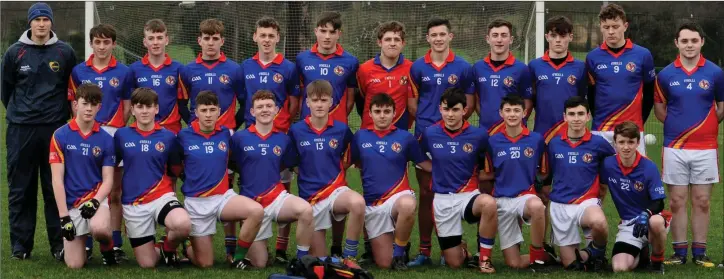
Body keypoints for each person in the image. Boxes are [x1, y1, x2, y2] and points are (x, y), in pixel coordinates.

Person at [2, 2, 77, 261]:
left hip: (54, 130)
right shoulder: (14, 52)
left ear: (51, 23)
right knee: (21, 189)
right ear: (30, 23)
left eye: (46, 19)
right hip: (20, 130)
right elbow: (6, 91)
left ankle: (59, 245)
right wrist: (22, 114)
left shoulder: (65, 52)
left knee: (53, 187)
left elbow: (70, 89)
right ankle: (21, 246)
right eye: (37, 20)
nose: (42, 24)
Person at [653, 22, 724, 267]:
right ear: (677, 43)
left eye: (694, 40)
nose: (689, 45)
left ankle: (700, 253)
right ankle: (679, 253)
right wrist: (677, 126)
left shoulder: (715, 72)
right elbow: (660, 109)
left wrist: (705, 128)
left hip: (706, 147)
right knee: (677, 200)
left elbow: (721, 107)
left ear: (702, 42)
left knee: (702, 201)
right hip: (675, 147)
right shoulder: (666, 74)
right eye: (684, 41)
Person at [408, 17, 474, 267]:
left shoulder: (463, 67)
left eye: (442, 34)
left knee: (451, 192)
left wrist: (451, 126)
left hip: (455, 139)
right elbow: (412, 104)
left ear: (450, 36)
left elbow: (469, 104)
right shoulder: (417, 68)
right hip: (426, 137)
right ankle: (424, 251)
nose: (438, 38)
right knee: (426, 194)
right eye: (433, 34)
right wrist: (433, 129)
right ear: (428, 38)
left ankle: (453, 247)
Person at [179, 18, 245, 261]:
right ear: (199, 40)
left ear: (222, 41)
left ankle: (230, 247)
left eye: (215, 38)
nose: (210, 43)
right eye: (206, 38)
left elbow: (245, 102)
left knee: (227, 186)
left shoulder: (234, 69)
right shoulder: (188, 70)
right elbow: (180, 103)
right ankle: (188, 237)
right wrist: (192, 126)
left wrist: (231, 127)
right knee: (194, 183)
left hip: (224, 137)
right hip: (196, 136)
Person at [237, 16, 301, 264]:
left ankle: (282, 247)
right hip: (252, 135)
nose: (266, 40)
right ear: (255, 37)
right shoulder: (244, 66)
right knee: (250, 183)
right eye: (262, 35)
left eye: (271, 36)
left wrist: (281, 124)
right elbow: (243, 99)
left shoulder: (287, 67)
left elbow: (293, 101)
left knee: (283, 188)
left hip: (279, 135)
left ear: (277, 39)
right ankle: (245, 239)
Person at [176, 91, 264, 269]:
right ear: (196, 112)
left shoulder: (227, 134)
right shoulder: (183, 136)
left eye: (212, 110)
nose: (208, 114)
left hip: (223, 198)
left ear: (219, 111)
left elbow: (236, 159)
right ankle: (187, 246)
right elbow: (175, 167)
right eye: (204, 110)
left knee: (256, 211)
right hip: (196, 203)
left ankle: (237, 258)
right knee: (205, 263)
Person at [69, 23, 133, 261]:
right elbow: (74, 104)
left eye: (107, 42)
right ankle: (85, 240)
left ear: (114, 44)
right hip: (85, 135)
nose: (102, 46)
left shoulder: (124, 72)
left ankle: (115, 243)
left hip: (113, 135)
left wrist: (112, 131)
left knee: (114, 191)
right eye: (98, 42)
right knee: (86, 187)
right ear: (91, 43)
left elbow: (127, 107)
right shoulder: (78, 72)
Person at [229, 90, 314, 268]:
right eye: (260, 107)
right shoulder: (239, 138)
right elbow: (231, 165)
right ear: (252, 112)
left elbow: (288, 164)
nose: (265, 110)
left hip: (276, 198)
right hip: (251, 203)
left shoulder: (283, 139)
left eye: (269, 106)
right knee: (260, 264)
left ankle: (301, 260)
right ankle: (239, 256)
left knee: (305, 210)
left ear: (276, 110)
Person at [288, 80, 366, 268]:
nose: (320, 104)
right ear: (307, 103)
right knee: (321, 261)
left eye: (324, 100)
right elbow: (292, 163)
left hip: (336, 191)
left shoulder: (341, 129)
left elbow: (351, 154)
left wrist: (340, 168)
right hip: (311, 198)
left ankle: (349, 256)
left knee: (357, 203)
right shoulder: (296, 130)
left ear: (331, 102)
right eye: (315, 100)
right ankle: (324, 254)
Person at [528, 16, 588, 261]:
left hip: (570, 140)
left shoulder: (580, 67)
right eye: (554, 35)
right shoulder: (534, 66)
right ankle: (541, 246)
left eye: (563, 35)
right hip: (543, 139)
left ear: (570, 38)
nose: (558, 40)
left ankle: (566, 239)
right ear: (547, 37)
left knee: (567, 188)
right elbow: (528, 103)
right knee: (543, 191)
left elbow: (583, 102)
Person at [420, 87, 497, 272]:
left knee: (488, 204)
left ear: (465, 110)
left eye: (455, 109)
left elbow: (489, 165)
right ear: (440, 109)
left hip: (467, 195)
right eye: (446, 109)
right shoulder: (430, 134)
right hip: (442, 199)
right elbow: (420, 158)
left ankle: (484, 259)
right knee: (455, 263)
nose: (450, 114)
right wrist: (437, 169)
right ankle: (462, 249)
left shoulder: (479, 135)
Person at [351, 93, 431, 270]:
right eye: (377, 111)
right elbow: (347, 163)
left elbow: (424, 163)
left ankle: (399, 255)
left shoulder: (405, 138)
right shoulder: (359, 137)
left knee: (408, 205)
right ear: (369, 114)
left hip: (398, 196)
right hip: (374, 205)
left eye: (387, 111)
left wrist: (453, 168)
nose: (382, 115)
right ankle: (393, 248)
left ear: (394, 113)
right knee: (384, 264)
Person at [114, 88, 192, 268]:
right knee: (148, 264)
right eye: (139, 107)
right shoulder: (121, 135)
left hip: (161, 197)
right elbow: (111, 166)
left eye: (149, 106)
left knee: (182, 224)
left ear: (156, 109)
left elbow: (175, 170)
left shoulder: (168, 137)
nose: (144, 111)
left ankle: (169, 247)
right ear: (132, 110)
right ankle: (160, 248)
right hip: (134, 203)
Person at [541, 96, 615, 271]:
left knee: (599, 223)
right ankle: (588, 254)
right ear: (565, 117)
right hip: (560, 205)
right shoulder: (554, 143)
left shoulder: (599, 143)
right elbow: (548, 174)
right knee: (572, 264)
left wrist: (602, 191)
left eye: (581, 114)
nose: (576, 118)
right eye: (572, 114)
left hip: (586, 202)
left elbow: (612, 167)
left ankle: (598, 252)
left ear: (588, 116)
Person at [49, 83, 117, 268]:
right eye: (85, 103)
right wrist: (64, 218)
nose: (89, 108)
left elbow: (108, 179)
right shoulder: (60, 135)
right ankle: (76, 248)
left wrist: (96, 201)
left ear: (99, 107)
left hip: (95, 199)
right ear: (75, 104)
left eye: (93, 104)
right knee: (75, 265)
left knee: (100, 229)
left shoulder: (106, 139)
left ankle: (107, 247)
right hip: (72, 204)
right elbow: (57, 179)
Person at [481, 95, 547, 271]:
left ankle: (537, 258)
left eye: (516, 110)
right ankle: (549, 255)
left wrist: (538, 186)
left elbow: (543, 171)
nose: (512, 114)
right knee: (514, 264)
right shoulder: (492, 141)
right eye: (508, 110)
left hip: (525, 197)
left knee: (537, 206)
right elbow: (489, 173)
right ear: (501, 113)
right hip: (501, 200)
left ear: (524, 113)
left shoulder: (536, 139)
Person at [601, 121, 671, 274]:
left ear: (638, 143)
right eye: (622, 142)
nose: (626, 147)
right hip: (629, 224)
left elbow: (658, 202)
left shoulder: (649, 167)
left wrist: (646, 214)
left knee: (656, 222)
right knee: (620, 268)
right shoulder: (608, 165)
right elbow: (599, 186)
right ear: (615, 143)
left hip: (652, 218)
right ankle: (642, 253)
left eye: (631, 142)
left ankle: (657, 263)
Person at [585, 3, 656, 155]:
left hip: (632, 129)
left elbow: (650, 94)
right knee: (601, 176)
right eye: (606, 27)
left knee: (634, 176)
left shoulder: (643, 55)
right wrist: (599, 119)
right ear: (601, 27)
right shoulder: (592, 57)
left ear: (625, 26)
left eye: (615, 26)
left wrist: (638, 122)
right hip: (601, 130)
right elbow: (591, 94)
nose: (611, 31)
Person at [296, 11, 359, 125]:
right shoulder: (302, 59)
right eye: (323, 31)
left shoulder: (351, 61)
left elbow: (350, 101)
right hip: (308, 124)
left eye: (332, 32)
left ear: (339, 34)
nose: (327, 37)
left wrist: (338, 117)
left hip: (336, 126)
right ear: (316, 31)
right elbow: (300, 95)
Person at [473, 18, 532, 135]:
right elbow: (476, 100)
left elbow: (528, 103)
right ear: (488, 39)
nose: (499, 40)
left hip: (513, 133)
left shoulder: (522, 69)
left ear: (511, 40)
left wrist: (514, 122)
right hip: (486, 131)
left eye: (504, 35)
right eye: (495, 35)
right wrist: (489, 121)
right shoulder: (477, 68)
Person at [130, 19, 187, 134]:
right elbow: (130, 103)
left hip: (172, 130)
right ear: (145, 42)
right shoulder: (134, 69)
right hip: (143, 130)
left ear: (166, 40)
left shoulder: (179, 69)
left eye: (160, 38)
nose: (155, 42)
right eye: (151, 38)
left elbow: (184, 102)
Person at [357, 21, 415, 131]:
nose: (392, 43)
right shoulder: (364, 69)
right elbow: (361, 99)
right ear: (379, 42)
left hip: (399, 132)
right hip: (370, 132)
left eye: (397, 39)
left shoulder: (412, 69)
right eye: (388, 39)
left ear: (403, 43)